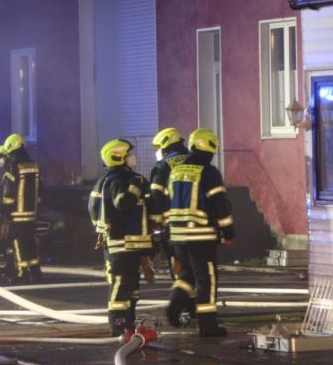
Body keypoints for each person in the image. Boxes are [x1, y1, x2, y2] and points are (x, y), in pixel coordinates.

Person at [166, 128, 235, 337]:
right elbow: (219, 204)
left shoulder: (176, 170)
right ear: (209, 147)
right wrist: (228, 231)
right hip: (201, 235)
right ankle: (208, 325)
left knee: (187, 274)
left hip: (177, 235)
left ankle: (175, 305)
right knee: (207, 279)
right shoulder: (208, 171)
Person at [88, 138, 154, 337]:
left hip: (132, 244)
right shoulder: (115, 181)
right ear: (118, 157)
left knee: (131, 288)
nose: (132, 157)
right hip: (120, 244)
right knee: (120, 285)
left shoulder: (126, 179)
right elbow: (123, 204)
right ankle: (118, 325)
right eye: (128, 154)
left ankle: (128, 324)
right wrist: (135, 187)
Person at [148, 127, 194, 325]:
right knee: (198, 269)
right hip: (200, 226)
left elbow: (156, 198)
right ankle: (197, 308)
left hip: (174, 228)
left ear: (165, 144)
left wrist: (155, 225)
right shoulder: (194, 160)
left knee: (179, 269)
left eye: (158, 147)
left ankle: (182, 306)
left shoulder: (163, 166)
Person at [0, 133, 42, 282]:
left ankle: (22, 273)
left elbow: (9, 191)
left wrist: (5, 210)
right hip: (31, 212)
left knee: (18, 243)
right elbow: (40, 188)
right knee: (30, 242)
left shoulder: (13, 165)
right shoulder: (33, 165)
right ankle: (35, 272)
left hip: (17, 213)